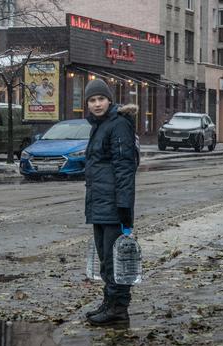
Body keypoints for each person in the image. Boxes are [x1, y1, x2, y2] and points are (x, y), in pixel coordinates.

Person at [83, 78, 138, 326]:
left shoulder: (118, 125)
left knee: (116, 260)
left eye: (101, 99)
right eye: (92, 100)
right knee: (106, 259)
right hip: (100, 204)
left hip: (114, 207)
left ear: (109, 100)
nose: (96, 104)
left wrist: (124, 208)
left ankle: (118, 309)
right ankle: (109, 302)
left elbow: (125, 168)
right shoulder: (100, 125)